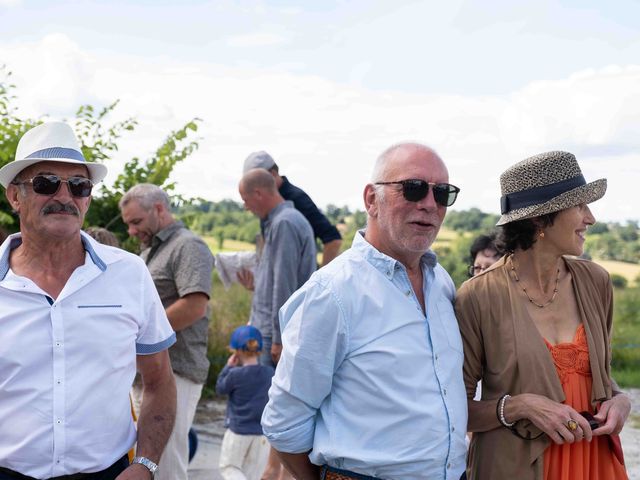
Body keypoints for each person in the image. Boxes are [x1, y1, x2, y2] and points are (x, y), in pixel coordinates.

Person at [262, 142, 467, 480]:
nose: (430, 204)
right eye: (413, 189)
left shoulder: (440, 282)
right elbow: (284, 423)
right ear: (372, 199)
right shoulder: (331, 293)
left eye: (442, 193)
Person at [0, 121, 177, 479]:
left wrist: (145, 465)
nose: (64, 197)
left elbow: (159, 382)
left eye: (79, 186)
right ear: (15, 196)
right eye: (46, 183)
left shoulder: (129, 274)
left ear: (88, 197)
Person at [456, 151, 631, 480]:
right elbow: (455, 412)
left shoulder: (596, 282)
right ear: (539, 219)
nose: (590, 218)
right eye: (579, 206)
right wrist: (519, 406)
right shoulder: (477, 297)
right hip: (515, 467)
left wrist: (620, 400)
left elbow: (602, 378)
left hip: (594, 463)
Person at [120, 183, 214, 480]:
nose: (132, 231)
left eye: (136, 222)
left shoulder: (188, 245)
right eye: (128, 225)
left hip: (177, 372)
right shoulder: (151, 251)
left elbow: (194, 306)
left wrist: (138, 338)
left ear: (159, 209)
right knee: (145, 462)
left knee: (166, 466)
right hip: (145, 373)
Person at [238, 168, 317, 480]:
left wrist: (278, 339)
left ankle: (273, 475)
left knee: (280, 416)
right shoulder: (283, 222)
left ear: (259, 193)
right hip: (271, 331)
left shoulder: (285, 224)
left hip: (279, 335)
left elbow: (284, 286)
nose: (246, 207)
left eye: (246, 200)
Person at [243, 150, 342, 266]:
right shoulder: (266, 201)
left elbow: (333, 239)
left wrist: (320, 280)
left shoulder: (298, 199)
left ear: (273, 174)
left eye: (256, 180)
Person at [216, 325, 274, 480]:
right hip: (261, 435)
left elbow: (220, 388)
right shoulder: (270, 373)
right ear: (260, 350)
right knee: (253, 475)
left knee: (229, 467)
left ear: (237, 351)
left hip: (238, 432)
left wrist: (228, 367)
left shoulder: (235, 374)